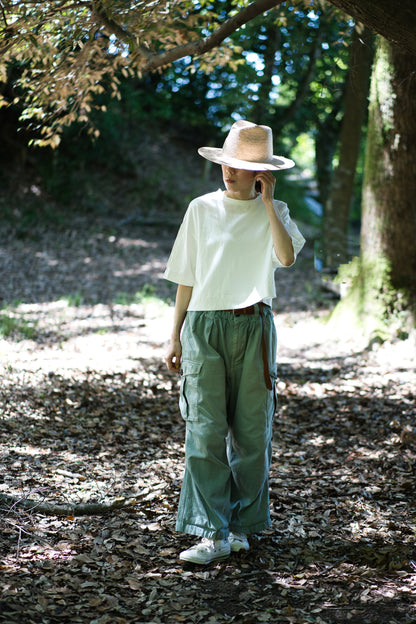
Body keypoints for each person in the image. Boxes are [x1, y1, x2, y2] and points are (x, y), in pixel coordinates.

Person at [164, 120, 305, 564]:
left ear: (261, 172)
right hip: (203, 327)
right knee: (204, 432)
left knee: (250, 435)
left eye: (241, 166)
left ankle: (242, 527)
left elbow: (285, 257)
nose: (229, 172)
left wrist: (267, 205)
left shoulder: (275, 212)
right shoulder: (201, 209)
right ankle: (211, 532)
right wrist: (174, 336)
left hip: (255, 328)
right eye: (227, 163)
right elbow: (186, 277)